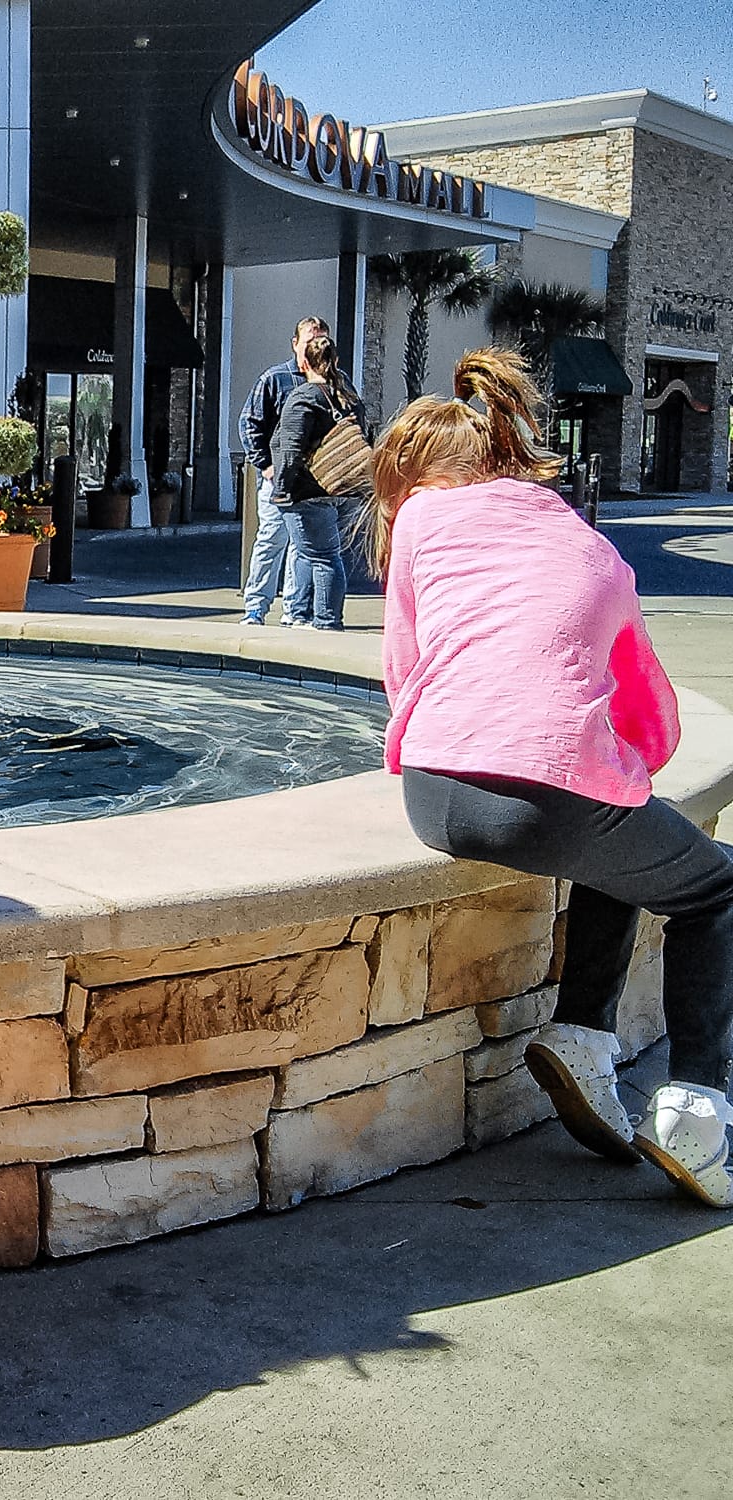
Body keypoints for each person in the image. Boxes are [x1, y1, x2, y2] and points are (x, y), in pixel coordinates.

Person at [372, 346, 733, 1208]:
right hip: (549, 799)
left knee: (622, 838)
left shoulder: (420, 522)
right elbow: (648, 709)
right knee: (714, 890)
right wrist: (624, 763)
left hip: (434, 793)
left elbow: (403, 669)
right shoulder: (592, 549)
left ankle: (579, 1040)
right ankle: (696, 1112)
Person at [269, 332, 366, 632]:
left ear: (304, 362)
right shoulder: (348, 397)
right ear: (334, 361)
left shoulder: (304, 398)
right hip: (342, 488)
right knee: (313, 552)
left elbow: (291, 449)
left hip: (309, 490)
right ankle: (300, 613)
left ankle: (326, 622)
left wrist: (282, 490)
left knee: (323, 557)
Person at [238, 315, 327, 625]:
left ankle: (294, 612)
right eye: (309, 343)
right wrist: (264, 464)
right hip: (277, 481)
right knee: (271, 540)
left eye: (320, 342)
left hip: (312, 482)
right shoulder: (275, 379)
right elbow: (249, 422)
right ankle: (255, 609)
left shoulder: (334, 381)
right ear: (295, 344)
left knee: (302, 548)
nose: (314, 348)